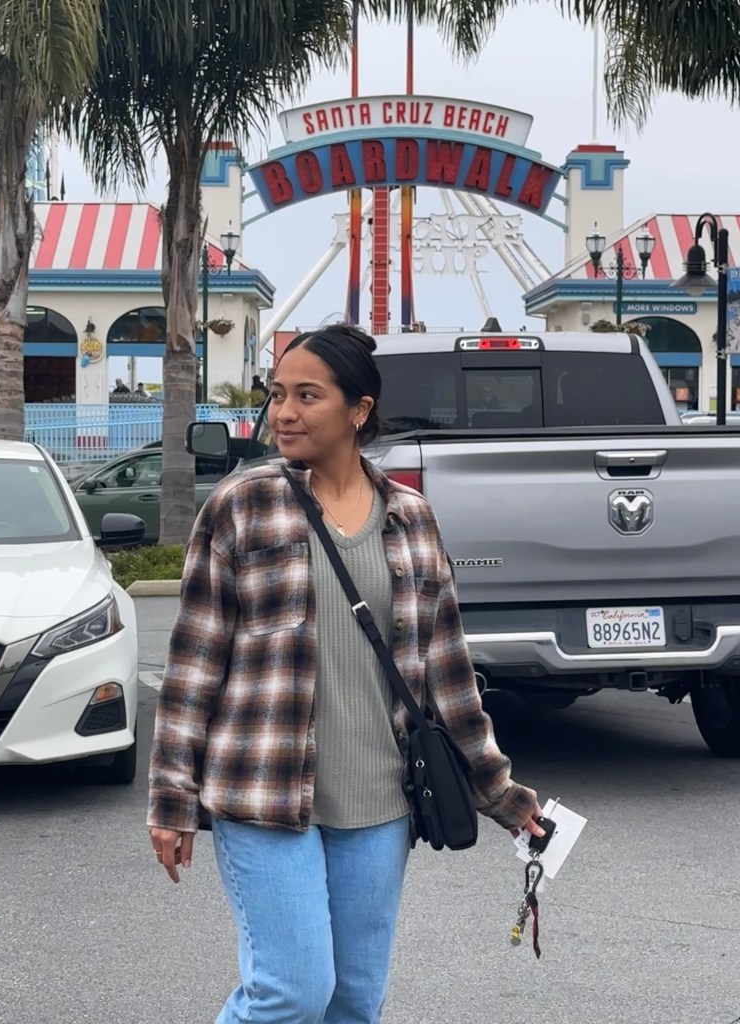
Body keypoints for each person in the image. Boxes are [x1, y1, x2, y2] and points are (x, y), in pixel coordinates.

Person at [147, 324, 543, 1024]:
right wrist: (172, 798)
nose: (284, 412)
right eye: (277, 395)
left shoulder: (411, 520)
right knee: (291, 992)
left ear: (359, 410)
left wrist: (503, 794)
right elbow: (193, 667)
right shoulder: (241, 505)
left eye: (307, 396)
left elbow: (449, 679)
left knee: (355, 1001)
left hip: (378, 804)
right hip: (261, 790)